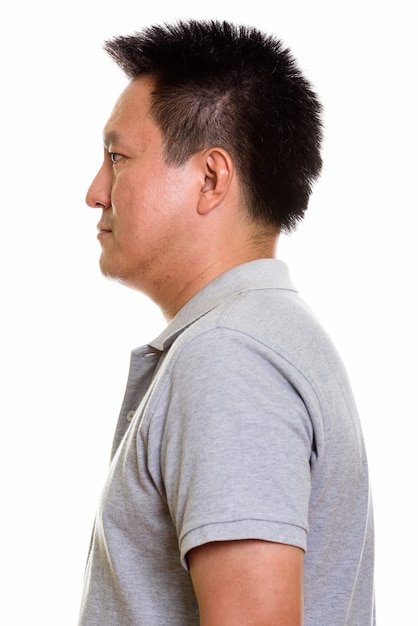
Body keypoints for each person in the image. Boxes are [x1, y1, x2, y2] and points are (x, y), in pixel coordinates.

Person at [78, 20, 375, 626]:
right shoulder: (265, 335)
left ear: (211, 178)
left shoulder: (229, 357)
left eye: (118, 158)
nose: (95, 190)